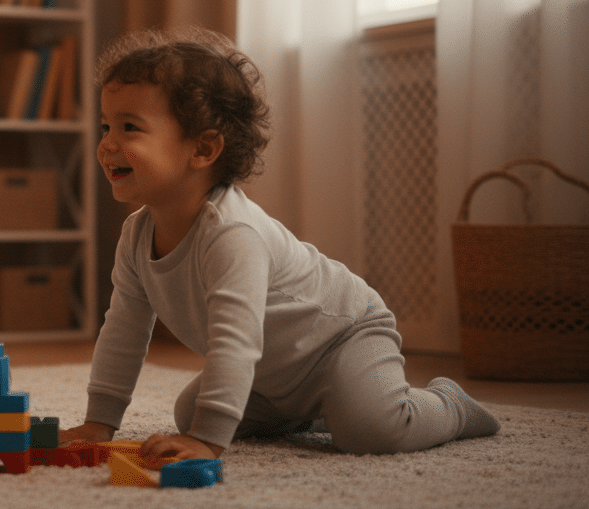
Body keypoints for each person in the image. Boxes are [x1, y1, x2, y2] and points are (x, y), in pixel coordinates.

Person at [60, 28, 500, 459]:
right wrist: (100, 422)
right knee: (189, 411)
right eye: (105, 126)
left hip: (342, 339)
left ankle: (449, 406)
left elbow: (236, 341)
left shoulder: (232, 234)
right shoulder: (136, 237)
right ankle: (317, 409)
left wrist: (209, 440)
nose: (106, 144)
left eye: (129, 127)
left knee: (371, 431)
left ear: (203, 150)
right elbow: (124, 330)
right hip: (273, 373)